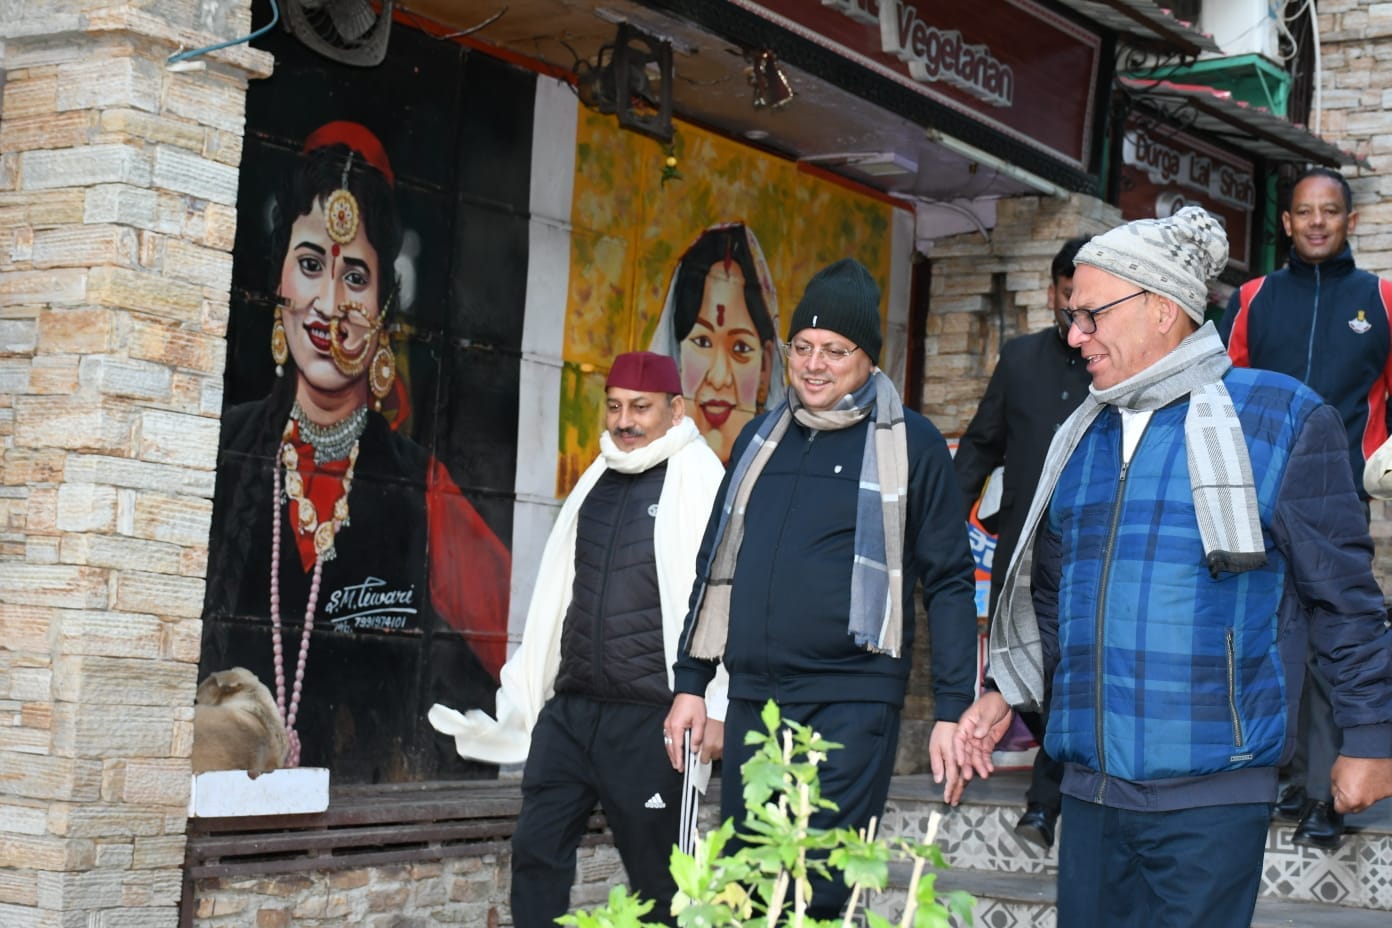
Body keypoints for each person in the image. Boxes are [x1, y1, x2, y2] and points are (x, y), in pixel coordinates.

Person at [954, 206, 1392, 928]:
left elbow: (1343, 599)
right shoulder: (1080, 434)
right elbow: (1057, 597)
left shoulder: (1279, 418)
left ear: (1161, 309)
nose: (1075, 335)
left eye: (1091, 315)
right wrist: (1007, 691)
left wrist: (1370, 736)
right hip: (1089, 788)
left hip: (1212, 790)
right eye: (1070, 316)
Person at [663, 258, 980, 919]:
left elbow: (950, 583)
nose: (814, 365)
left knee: (816, 890)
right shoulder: (759, 439)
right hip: (756, 704)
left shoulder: (912, 445)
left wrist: (953, 707)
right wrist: (691, 683)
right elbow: (715, 561)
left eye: (835, 350)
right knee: (748, 885)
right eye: (803, 347)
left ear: (868, 357)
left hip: (850, 704)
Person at [202, 121, 511, 781]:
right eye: (311, 265)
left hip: (364, 812)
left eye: (356, 276)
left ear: (384, 305)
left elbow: (520, 650)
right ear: (279, 278)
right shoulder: (217, 450)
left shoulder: (420, 486)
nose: (330, 304)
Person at [428, 351, 728, 927]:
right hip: (571, 713)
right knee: (536, 855)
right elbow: (556, 593)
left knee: (660, 886)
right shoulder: (597, 477)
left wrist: (717, 704)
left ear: (675, 410)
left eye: (640, 407)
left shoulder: (702, 479)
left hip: (653, 720)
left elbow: (725, 598)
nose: (624, 421)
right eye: (614, 407)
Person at [1218, 166, 1392, 850]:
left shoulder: (1380, 299)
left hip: (1339, 498)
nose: (1317, 221)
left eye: (1330, 211)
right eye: (1305, 211)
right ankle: (1277, 775)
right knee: (1260, 632)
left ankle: (1324, 795)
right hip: (1252, 497)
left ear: (1350, 221)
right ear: (1286, 222)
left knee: (1331, 641)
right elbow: (1218, 390)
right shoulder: (1252, 299)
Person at [953, 236, 1091, 851]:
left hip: (1088, 548)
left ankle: (1044, 801)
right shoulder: (1020, 358)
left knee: (1070, 667)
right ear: (1051, 290)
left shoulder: (1113, 362)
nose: (1075, 308)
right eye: (1067, 294)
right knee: (1021, 668)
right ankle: (1059, 773)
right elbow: (982, 444)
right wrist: (941, 519)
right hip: (1022, 550)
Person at [650, 222, 785, 463]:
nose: (719, 377)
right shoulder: (649, 473)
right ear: (677, 356)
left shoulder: (776, 479)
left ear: (765, 367)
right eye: (702, 342)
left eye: (740, 348)